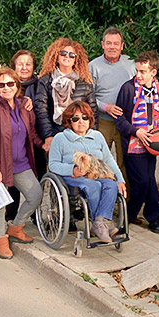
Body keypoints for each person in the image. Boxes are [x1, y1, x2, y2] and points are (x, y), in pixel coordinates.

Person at [0, 67, 44, 259]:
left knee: (35, 195)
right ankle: (0, 238)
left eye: (10, 83)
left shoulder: (24, 107)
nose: (6, 88)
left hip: (21, 163)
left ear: (16, 85)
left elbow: (30, 134)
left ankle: (15, 227)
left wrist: (44, 143)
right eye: (1, 85)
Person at [48, 101, 126, 243]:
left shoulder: (97, 136)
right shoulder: (60, 138)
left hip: (96, 175)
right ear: (69, 121)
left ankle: (99, 223)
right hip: (72, 178)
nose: (81, 122)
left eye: (85, 118)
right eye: (76, 118)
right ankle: (102, 226)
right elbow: (52, 164)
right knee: (93, 186)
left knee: (111, 184)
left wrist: (120, 179)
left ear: (90, 120)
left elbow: (109, 160)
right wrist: (71, 170)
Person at [114, 50, 159, 234]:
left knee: (149, 181)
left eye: (143, 71)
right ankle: (130, 214)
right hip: (132, 145)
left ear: (153, 72)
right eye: (137, 70)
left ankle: (152, 218)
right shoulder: (128, 89)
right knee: (143, 181)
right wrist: (136, 131)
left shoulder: (157, 88)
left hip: (151, 144)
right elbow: (119, 120)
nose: (138, 75)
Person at [88, 27, 136, 184]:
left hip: (126, 122)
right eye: (108, 43)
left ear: (122, 45)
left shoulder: (131, 63)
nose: (112, 47)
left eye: (116, 43)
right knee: (100, 162)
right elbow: (88, 96)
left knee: (125, 163)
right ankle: (104, 199)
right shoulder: (93, 66)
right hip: (103, 121)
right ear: (102, 44)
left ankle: (126, 202)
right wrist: (105, 107)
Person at [34, 37, 98, 152]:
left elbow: (92, 112)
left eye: (72, 55)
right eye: (63, 53)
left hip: (80, 136)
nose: (67, 56)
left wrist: (91, 135)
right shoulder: (45, 81)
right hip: (55, 135)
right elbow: (41, 110)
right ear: (56, 57)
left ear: (76, 60)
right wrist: (48, 135)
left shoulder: (84, 82)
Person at [4, 50, 44, 224]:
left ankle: (36, 215)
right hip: (14, 142)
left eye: (28, 64)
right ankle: (11, 217)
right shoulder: (6, 85)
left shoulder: (40, 85)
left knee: (38, 178)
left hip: (36, 139)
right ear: (14, 66)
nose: (24, 67)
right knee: (13, 181)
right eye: (20, 64)